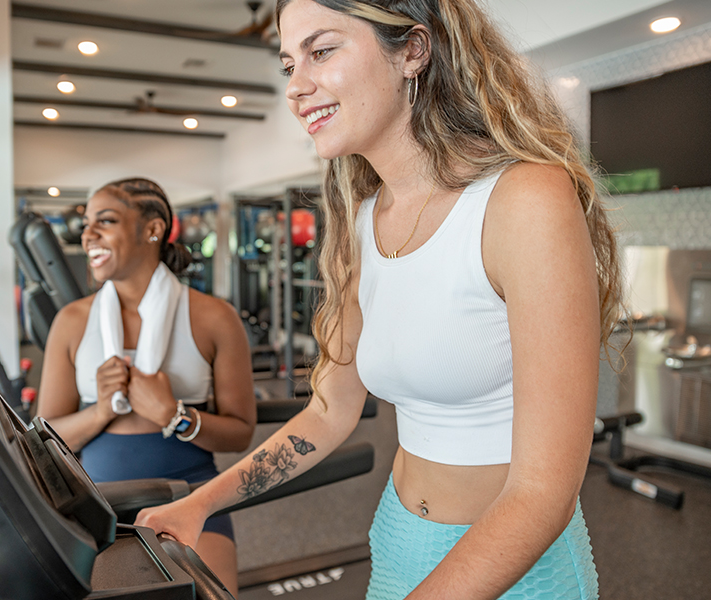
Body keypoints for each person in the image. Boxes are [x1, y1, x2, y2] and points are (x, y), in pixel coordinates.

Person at [136, 1, 622, 598]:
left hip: (515, 566)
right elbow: (329, 412)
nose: (297, 87)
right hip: (396, 543)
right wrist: (199, 504)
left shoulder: (524, 201)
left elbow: (544, 491)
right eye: (289, 65)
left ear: (413, 50)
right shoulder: (360, 226)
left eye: (322, 51)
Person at [37, 177, 256, 596]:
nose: (88, 234)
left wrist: (174, 415)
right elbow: (45, 439)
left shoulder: (214, 318)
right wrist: (100, 410)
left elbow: (241, 432)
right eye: (86, 224)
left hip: (188, 495)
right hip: (96, 503)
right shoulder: (71, 322)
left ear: (152, 229)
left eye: (106, 220)